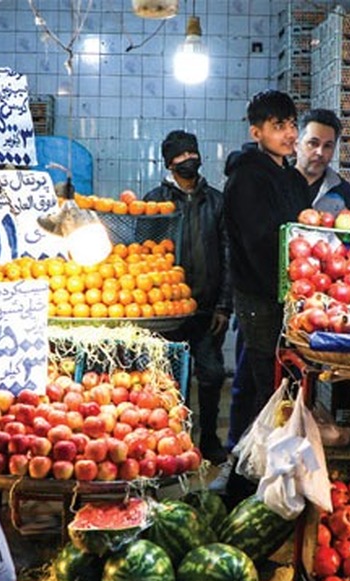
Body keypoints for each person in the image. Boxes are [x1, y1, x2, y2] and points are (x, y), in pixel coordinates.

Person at [221, 90, 308, 480]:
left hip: (289, 298)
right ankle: (249, 475)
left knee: (284, 386)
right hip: (260, 298)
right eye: (278, 126)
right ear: (257, 132)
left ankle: (273, 467)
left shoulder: (291, 176)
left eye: (292, 124)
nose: (289, 133)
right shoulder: (246, 178)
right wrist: (287, 287)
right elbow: (259, 243)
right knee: (264, 386)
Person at [142, 130, 231, 463]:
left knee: (211, 376)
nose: (187, 160)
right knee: (170, 378)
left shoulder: (217, 201)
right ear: (169, 163)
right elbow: (144, 257)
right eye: (180, 156)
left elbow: (228, 255)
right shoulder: (154, 202)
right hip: (168, 311)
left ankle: (208, 438)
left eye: (192, 153)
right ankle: (175, 440)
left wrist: (224, 305)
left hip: (208, 308)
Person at [296, 107, 350, 214]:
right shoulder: (277, 184)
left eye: (327, 146)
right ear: (296, 145)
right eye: (313, 143)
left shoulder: (345, 193)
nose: (320, 152)